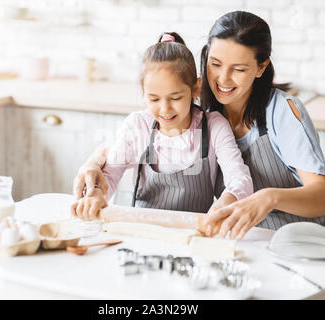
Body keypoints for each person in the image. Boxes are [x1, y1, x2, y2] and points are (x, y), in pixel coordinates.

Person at [73, 12, 325, 241]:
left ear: (261, 67)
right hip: (252, 244)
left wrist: (269, 198)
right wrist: (95, 164)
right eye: (215, 64)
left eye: (239, 69)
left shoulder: (280, 112)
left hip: (310, 244)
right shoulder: (200, 108)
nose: (223, 79)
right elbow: (139, 143)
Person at [71, 32, 253, 221]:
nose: (165, 109)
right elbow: (109, 175)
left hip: (194, 234)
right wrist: (96, 195)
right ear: (143, 92)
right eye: (154, 99)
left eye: (175, 98)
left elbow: (240, 179)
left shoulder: (214, 126)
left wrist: (225, 204)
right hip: (142, 229)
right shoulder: (137, 125)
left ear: (196, 88)